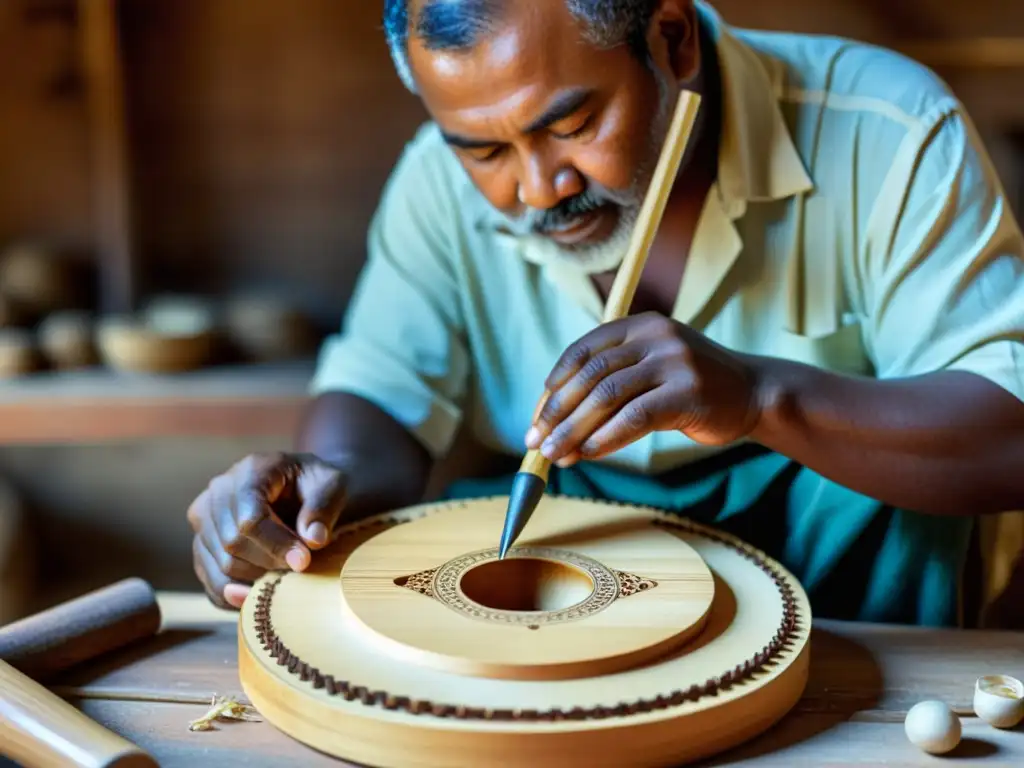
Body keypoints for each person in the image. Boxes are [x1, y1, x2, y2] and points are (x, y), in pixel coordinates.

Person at [187, 0, 1024, 626]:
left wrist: (757, 398)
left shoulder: (890, 127)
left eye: (574, 124)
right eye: (484, 150)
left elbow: (1010, 436)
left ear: (672, 37)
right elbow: (379, 402)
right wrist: (317, 488)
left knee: (892, 511)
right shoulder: (434, 181)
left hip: (846, 580)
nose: (539, 187)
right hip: (583, 537)